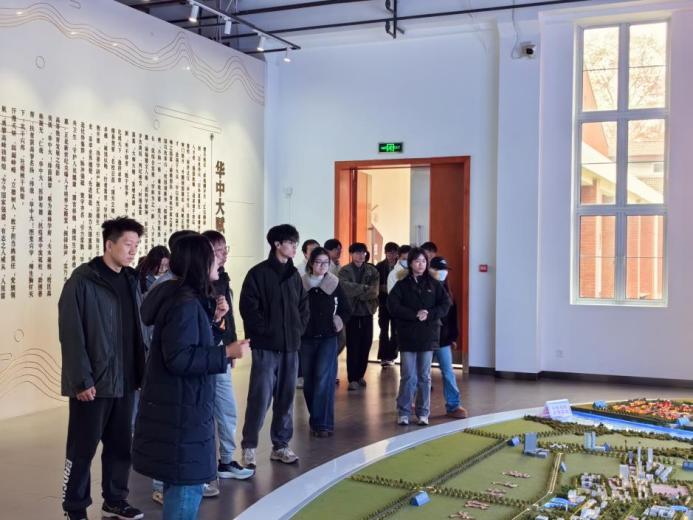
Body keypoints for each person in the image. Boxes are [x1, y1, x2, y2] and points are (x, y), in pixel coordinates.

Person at [133, 234, 251, 520]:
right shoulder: (184, 303)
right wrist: (226, 352)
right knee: (186, 488)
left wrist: (215, 322)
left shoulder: (182, 298)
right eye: (214, 254)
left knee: (183, 484)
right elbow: (180, 357)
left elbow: (187, 342)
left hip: (182, 404)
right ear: (199, 262)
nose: (220, 259)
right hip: (182, 408)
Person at [59, 217, 146, 520]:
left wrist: (141, 372)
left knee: (121, 446)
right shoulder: (82, 281)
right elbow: (71, 334)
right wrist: (81, 380)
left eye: (136, 245)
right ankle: (74, 507)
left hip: (126, 381)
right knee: (82, 449)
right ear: (109, 244)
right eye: (128, 244)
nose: (133, 251)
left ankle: (115, 499)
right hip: (93, 383)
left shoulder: (131, 280)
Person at [240, 224, 310, 469]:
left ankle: (280, 445)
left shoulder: (294, 275)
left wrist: (298, 330)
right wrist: (266, 331)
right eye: (290, 242)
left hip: (291, 346)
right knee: (259, 398)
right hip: (266, 347)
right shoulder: (257, 273)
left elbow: (303, 306)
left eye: (295, 242)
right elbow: (249, 308)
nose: (294, 247)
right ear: (277, 244)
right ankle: (249, 446)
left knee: (286, 398)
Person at [200, 230, 255, 481]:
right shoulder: (197, 285)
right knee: (202, 413)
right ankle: (203, 468)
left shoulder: (223, 278)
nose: (223, 255)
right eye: (218, 251)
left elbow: (228, 317)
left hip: (221, 352)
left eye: (225, 249)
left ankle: (226, 460)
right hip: (204, 355)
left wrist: (231, 345)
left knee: (227, 407)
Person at [388, 247, 451, 426]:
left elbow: (445, 304)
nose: (420, 264)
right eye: (417, 261)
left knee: (424, 376)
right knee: (408, 376)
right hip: (407, 335)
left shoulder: (434, 284)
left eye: (423, 261)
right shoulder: (402, 284)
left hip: (428, 335)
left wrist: (428, 314)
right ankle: (404, 412)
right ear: (410, 264)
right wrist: (414, 314)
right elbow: (393, 306)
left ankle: (423, 413)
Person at [300, 247, 352, 436]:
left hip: (328, 338)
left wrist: (338, 321)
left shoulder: (334, 283)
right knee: (309, 382)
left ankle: (323, 424)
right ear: (310, 263)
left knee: (324, 379)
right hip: (306, 338)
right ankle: (316, 419)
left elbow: (346, 309)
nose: (322, 266)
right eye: (318, 262)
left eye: (326, 263)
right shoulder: (301, 283)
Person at [427, 256, 468, 419]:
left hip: (443, 340)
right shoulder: (425, 289)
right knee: (421, 374)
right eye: (438, 269)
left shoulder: (448, 292)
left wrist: (453, 337)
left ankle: (453, 405)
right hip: (426, 339)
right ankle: (413, 404)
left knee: (448, 372)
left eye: (444, 270)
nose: (442, 273)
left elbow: (453, 318)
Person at [338, 242, 379, 391]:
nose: (361, 255)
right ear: (351, 254)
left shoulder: (372, 270)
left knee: (366, 344)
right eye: (357, 252)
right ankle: (352, 378)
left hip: (367, 311)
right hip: (352, 313)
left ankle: (360, 375)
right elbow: (344, 288)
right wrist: (364, 289)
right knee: (353, 345)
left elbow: (374, 292)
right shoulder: (344, 271)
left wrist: (357, 292)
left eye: (363, 252)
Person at [375, 242, 399, 367]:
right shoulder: (379, 266)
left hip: (397, 304)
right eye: (389, 252)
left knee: (395, 330)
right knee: (383, 330)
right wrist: (381, 287)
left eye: (394, 252)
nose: (391, 255)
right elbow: (374, 284)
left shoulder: (400, 266)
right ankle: (384, 356)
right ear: (385, 253)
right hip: (383, 302)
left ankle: (392, 356)